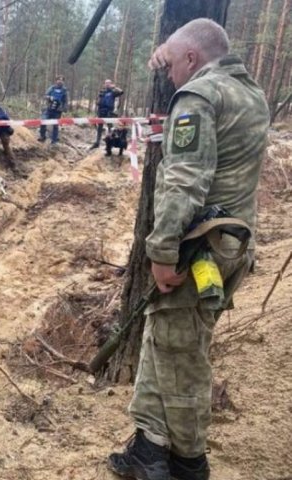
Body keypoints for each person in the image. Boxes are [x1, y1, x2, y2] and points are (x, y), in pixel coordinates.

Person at [107, 19, 269, 480]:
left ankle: (188, 461)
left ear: (193, 60)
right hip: (231, 244)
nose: (170, 76)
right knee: (167, 338)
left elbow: (184, 180)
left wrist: (160, 250)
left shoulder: (199, 96)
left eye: (174, 65)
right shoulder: (249, 93)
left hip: (197, 246)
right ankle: (150, 445)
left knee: (182, 351)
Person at [91, 79, 123, 149]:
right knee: (99, 128)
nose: (107, 84)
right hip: (101, 111)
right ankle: (97, 142)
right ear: (104, 84)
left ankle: (110, 144)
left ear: (111, 84)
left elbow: (121, 92)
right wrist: (96, 112)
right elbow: (98, 102)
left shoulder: (113, 91)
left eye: (109, 83)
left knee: (110, 128)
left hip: (109, 112)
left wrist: (114, 87)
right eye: (106, 83)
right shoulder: (102, 92)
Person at [38, 76, 68, 145]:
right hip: (49, 109)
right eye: (59, 80)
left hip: (57, 110)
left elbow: (65, 101)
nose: (60, 81)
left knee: (55, 125)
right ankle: (42, 136)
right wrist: (49, 98)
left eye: (62, 80)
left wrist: (63, 109)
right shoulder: (51, 88)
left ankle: (54, 141)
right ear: (56, 81)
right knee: (43, 121)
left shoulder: (64, 91)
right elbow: (45, 95)